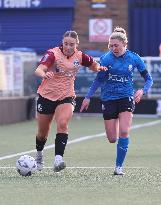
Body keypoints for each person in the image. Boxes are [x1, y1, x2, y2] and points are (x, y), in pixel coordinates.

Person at [80, 27, 153, 175]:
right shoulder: (106, 59)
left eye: (116, 45)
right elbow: (98, 80)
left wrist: (142, 90)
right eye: (111, 46)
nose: (114, 48)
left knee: (124, 131)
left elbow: (148, 79)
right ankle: (118, 128)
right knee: (112, 138)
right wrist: (87, 97)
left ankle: (118, 167)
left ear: (124, 44)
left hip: (126, 97)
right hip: (108, 99)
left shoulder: (134, 58)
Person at [34, 30, 107, 172]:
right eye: (66, 44)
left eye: (71, 44)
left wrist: (99, 68)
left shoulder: (80, 56)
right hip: (46, 96)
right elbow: (39, 70)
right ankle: (39, 156)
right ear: (62, 43)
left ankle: (58, 159)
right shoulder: (52, 54)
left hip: (67, 96)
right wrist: (45, 73)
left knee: (62, 123)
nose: (68, 47)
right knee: (42, 133)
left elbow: (93, 65)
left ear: (77, 44)